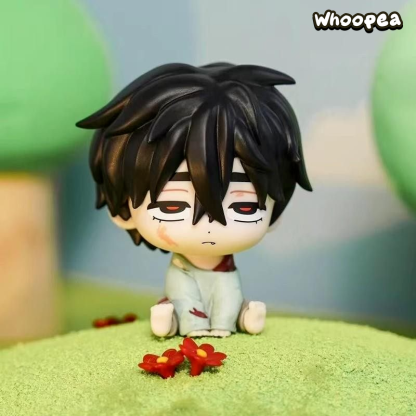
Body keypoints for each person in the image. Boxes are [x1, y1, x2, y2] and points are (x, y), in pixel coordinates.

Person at [76, 62, 312, 337]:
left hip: (226, 286)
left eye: (244, 207)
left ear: (274, 212)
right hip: (181, 283)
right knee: (179, 300)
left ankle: (237, 317)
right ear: (124, 211)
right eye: (172, 206)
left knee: (229, 299)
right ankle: (179, 322)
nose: (209, 224)